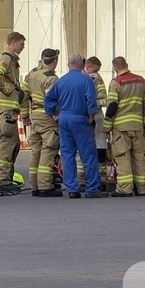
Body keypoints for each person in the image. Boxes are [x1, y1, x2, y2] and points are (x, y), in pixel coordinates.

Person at [44, 53, 102, 198]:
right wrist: (91, 116)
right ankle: (92, 189)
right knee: (88, 154)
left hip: (64, 119)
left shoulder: (61, 81)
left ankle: (72, 189)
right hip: (80, 119)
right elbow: (91, 99)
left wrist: (53, 115)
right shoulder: (85, 79)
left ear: (68, 64)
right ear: (82, 64)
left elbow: (48, 99)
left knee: (68, 155)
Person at [103, 56, 145, 197]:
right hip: (137, 126)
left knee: (122, 157)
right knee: (139, 157)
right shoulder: (141, 80)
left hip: (121, 127)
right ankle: (141, 188)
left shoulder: (116, 83)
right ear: (126, 65)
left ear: (115, 68)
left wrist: (106, 128)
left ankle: (125, 189)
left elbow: (111, 107)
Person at [21, 49, 62, 197]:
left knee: (36, 152)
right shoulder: (52, 78)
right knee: (49, 150)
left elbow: (23, 96)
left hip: (35, 117)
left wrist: (25, 115)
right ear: (55, 61)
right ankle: (45, 185)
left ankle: (35, 185)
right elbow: (52, 101)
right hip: (47, 117)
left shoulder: (31, 74)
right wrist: (56, 116)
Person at [0, 31, 26, 191]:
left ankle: (7, 179)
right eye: (21, 43)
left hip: (10, 108)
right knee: (8, 143)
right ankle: (3, 181)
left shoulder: (12, 60)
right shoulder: (6, 58)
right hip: (6, 109)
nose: (23, 46)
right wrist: (6, 89)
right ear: (13, 43)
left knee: (14, 144)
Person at [78, 56, 108, 185]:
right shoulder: (78, 77)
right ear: (87, 67)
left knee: (100, 147)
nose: (95, 73)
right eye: (94, 70)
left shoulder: (97, 79)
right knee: (82, 149)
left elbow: (104, 99)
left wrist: (92, 104)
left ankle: (102, 177)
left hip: (96, 117)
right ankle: (82, 178)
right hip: (82, 117)